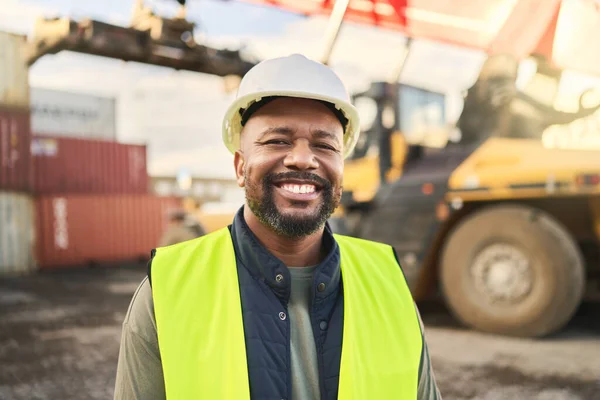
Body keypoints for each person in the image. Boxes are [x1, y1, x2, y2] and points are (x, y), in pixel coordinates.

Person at [114, 53, 442, 399]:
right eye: (277, 141)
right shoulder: (168, 289)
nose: (302, 158)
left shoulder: (390, 285)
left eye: (324, 144)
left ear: (341, 171)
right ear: (240, 167)